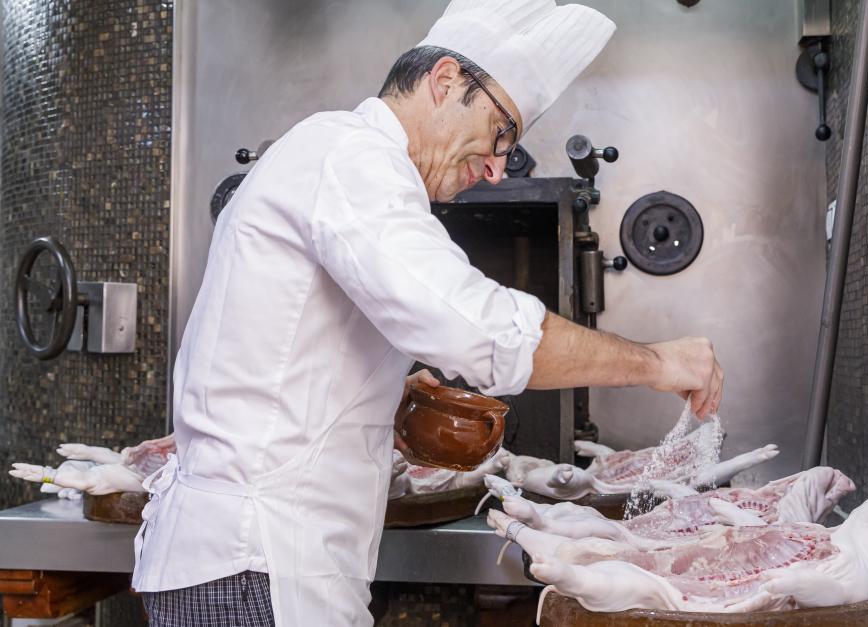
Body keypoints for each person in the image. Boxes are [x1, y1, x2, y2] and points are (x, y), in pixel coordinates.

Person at [133, 1, 723, 625]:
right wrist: (657, 361)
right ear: (445, 81)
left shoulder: (336, 156)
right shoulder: (350, 156)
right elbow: (484, 333)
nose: (498, 169)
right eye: (502, 134)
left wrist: (382, 394)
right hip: (257, 566)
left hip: (258, 565)